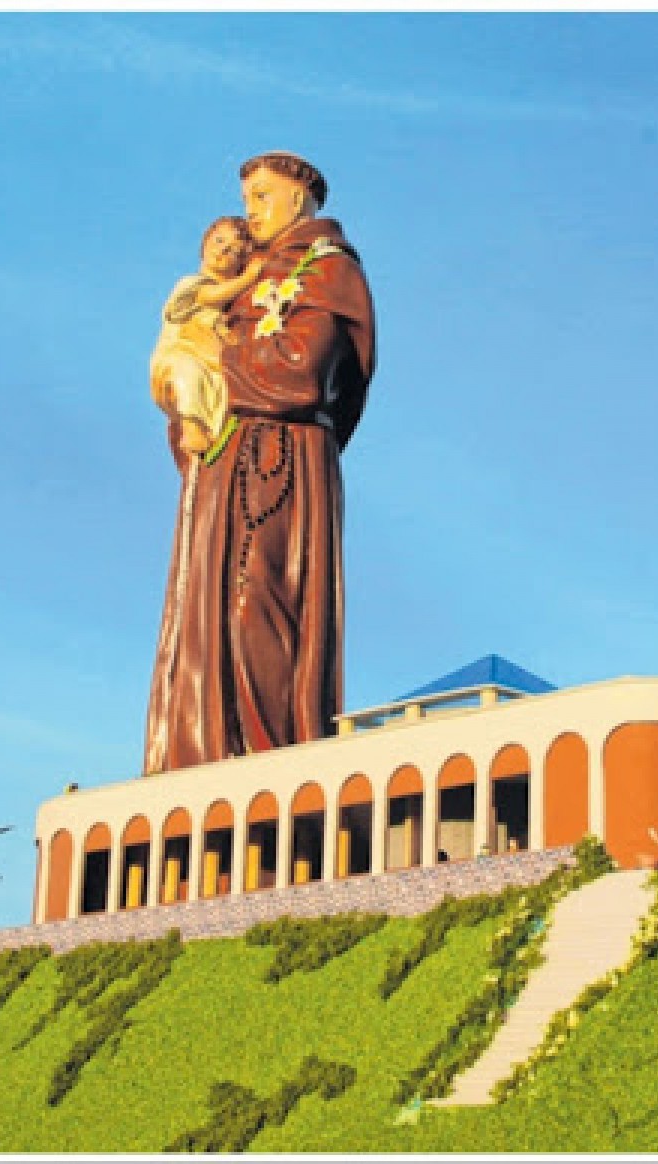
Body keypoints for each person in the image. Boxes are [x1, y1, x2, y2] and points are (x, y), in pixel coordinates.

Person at [143, 151, 376, 774]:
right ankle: (207, 757)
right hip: (224, 466)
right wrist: (182, 394)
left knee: (261, 604)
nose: (251, 212)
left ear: (299, 198)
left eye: (263, 197)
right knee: (208, 615)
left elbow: (303, 372)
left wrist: (212, 366)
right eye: (247, 199)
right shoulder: (243, 276)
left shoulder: (326, 270)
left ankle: (265, 760)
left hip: (281, 464)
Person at [149, 217, 264, 465]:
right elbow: (209, 296)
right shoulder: (193, 284)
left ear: (239, 264)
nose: (222, 250)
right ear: (204, 244)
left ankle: (214, 433)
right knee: (189, 374)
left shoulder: (228, 310)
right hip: (177, 360)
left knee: (222, 387)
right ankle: (192, 427)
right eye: (219, 241)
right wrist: (249, 278)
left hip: (209, 365)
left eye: (233, 251)